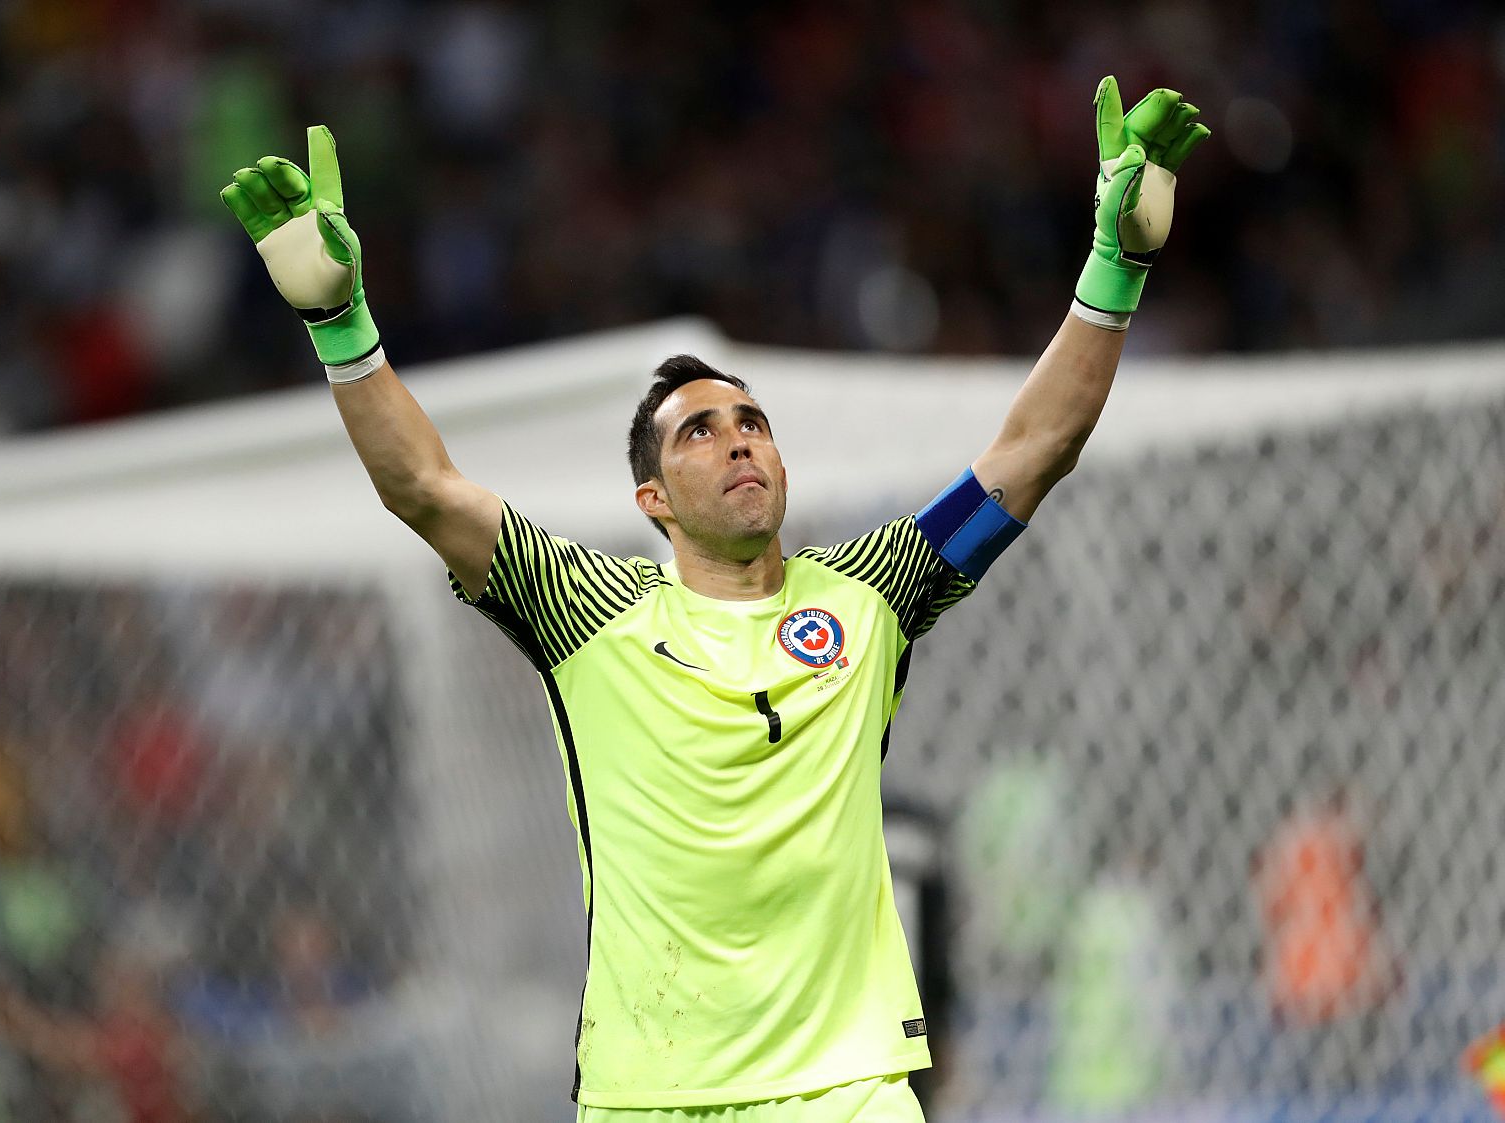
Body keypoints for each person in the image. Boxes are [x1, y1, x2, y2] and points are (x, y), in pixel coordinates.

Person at [220, 77, 1208, 1122]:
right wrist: (340, 322)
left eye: (751, 420)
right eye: (699, 429)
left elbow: (1032, 448)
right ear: (652, 499)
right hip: (651, 1096)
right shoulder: (584, 610)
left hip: (849, 1088)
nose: (738, 435)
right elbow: (423, 487)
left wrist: (1117, 264)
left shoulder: (873, 588)